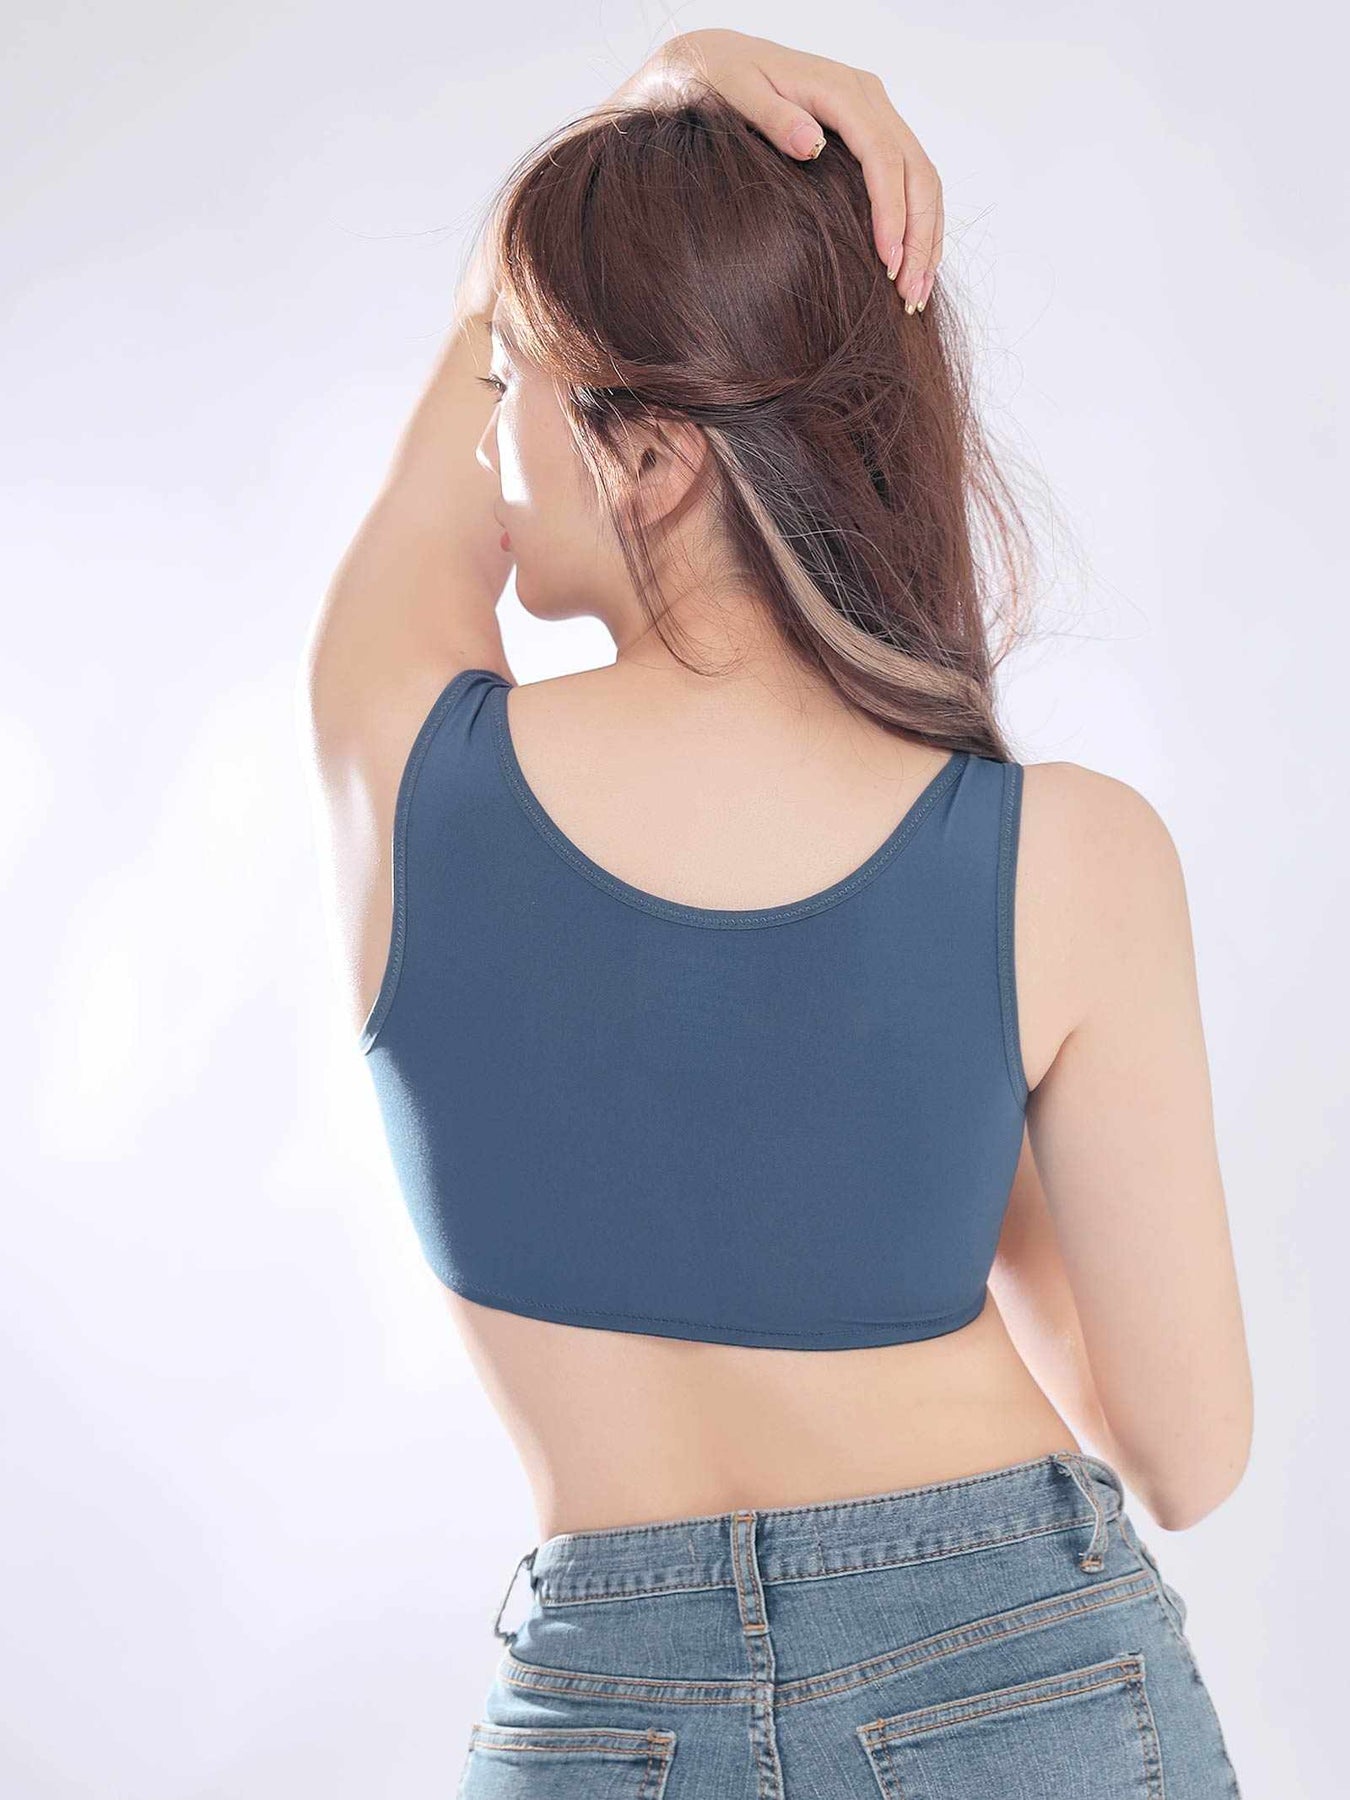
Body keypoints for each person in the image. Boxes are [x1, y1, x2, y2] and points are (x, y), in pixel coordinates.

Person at [303, 28, 1251, 1798]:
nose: (493, 435)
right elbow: (1181, 1455)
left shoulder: (397, 761)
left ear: (654, 453)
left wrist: (648, 103)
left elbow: (438, 444)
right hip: (1019, 1681)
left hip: (598, 1717)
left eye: (525, 383)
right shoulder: (1059, 854)